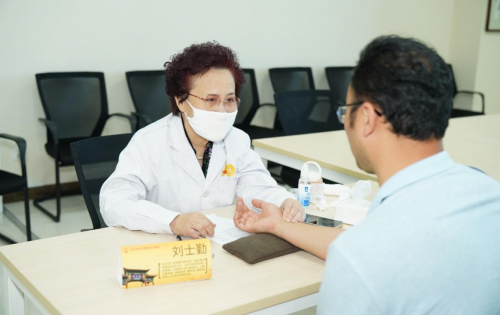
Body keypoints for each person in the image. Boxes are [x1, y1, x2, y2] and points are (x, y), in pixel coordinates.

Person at [234, 36, 500, 314]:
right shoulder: (488, 193)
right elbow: (375, 245)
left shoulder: (359, 263)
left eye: (345, 110)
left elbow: (367, 252)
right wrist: (281, 226)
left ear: (366, 118)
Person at [100, 41, 305, 239]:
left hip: (216, 243)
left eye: (229, 100)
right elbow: (114, 202)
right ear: (181, 101)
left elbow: (259, 187)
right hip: (160, 245)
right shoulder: (148, 142)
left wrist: (284, 201)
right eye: (211, 100)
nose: (222, 110)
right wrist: (172, 221)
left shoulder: (237, 140)